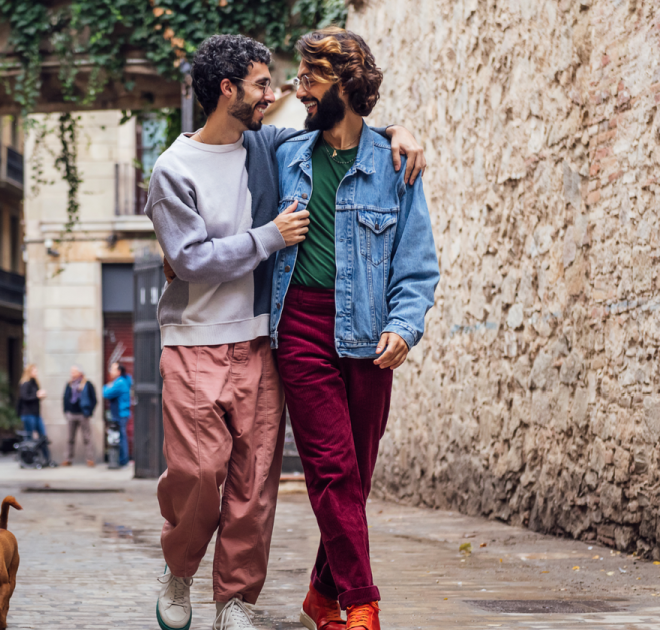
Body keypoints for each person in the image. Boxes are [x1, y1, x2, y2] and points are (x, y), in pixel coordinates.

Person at [148, 33, 424, 630]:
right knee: (255, 471)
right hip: (245, 333)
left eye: (299, 78)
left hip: (313, 336)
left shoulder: (313, 152)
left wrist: (399, 131)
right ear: (230, 91)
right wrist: (262, 238)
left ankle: (282, 599)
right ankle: (351, 602)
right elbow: (192, 255)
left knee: (306, 481)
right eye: (269, 82)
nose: (286, 91)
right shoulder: (225, 161)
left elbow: (413, 252)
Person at [269, 27, 440, 630]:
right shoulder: (284, 153)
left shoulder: (393, 164)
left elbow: (416, 264)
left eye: (310, 79)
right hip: (301, 329)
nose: (299, 89)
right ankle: (361, 604)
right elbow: (222, 138)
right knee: (332, 468)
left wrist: (404, 324)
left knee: (356, 477)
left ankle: (321, 594)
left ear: (344, 83)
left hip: (369, 334)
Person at [62, 366, 97, 467]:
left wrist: (89, 412)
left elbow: (94, 399)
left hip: (83, 414)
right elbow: (65, 398)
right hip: (71, 414)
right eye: (71, 371)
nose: (72, 373)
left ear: (79, 373)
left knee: (87, 438)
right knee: (70, 438)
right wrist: (66, 411)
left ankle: (90, 459)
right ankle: (68, 459)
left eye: (74, 371)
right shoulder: (69, 384)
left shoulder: (87, 384)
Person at [17, 364, 52, 466]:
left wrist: (40, 396)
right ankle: (28, 460)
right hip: (28, 414)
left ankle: (47, 459)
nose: (36, 373)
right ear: (29, 372)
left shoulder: (35, 383)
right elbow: (24, 397)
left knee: (43, 437)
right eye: (35, 371)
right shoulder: (25, 383)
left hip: (36, 414)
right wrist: (36, 395)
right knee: (29, 438)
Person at [102, 362, 133, 467]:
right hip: (121, 413)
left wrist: (106, 386)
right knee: (121, 436)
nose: (110, 371)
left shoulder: (119, 382)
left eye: (112, 369)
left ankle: (123, 460)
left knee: (121, 436)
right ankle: (122, 459)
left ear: (119, 371)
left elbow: (106, 393)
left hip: (120, 414)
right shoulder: (123, 381)